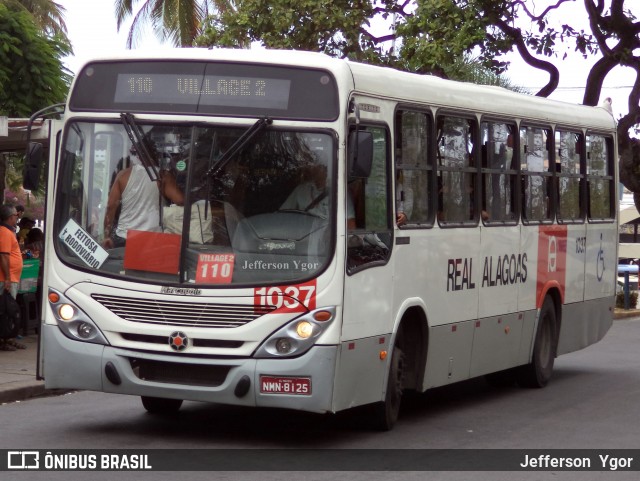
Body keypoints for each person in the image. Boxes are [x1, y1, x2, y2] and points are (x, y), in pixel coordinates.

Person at [103, 151, 183, 248]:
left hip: (124, 238)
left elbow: (111, 206)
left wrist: (106, 236)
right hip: (152, 240)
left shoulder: (123, 175)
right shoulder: (163, 177)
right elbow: (180, 200)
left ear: (138, 157)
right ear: (157, 156)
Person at [281, 163, 356, 229]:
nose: (312, 169)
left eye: (318, 166)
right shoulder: (301, 189)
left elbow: (350, 223)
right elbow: (282, 215)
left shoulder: (340, 190)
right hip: (303, 237)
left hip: (329, 240)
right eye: (311, 166)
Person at [0, 205, 25, 351]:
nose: (17, 217)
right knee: (5, 310)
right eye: (16, 215)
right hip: (5, 279)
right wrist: (8, 278)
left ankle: (8, 338)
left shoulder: (9, 232)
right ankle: (4, 339)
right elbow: (3, 255)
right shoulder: (4, 232)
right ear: (10, 217)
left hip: (9, 278)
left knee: (8, 310)